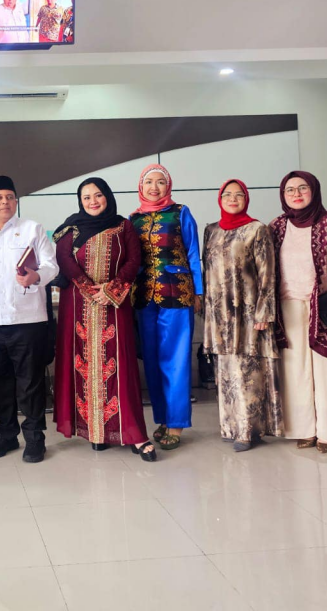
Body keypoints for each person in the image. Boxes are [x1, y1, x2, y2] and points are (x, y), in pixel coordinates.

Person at [52, 178, 155, 461]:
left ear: (107, 196)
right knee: (81, 367)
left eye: (98, 195)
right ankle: (95, 432)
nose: (93, 201)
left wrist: (110, 290)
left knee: (119, 368)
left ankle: (134, 434)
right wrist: (88, 290)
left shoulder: (124, 226)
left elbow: (134, 260)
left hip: (114, 305)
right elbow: (64, 260)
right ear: (80, 201)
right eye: (86, 197)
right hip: (78, 305)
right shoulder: (70, 228)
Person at [0, 175, 57, 463]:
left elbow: (51, 266)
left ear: (16, 202)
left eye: (9, 196)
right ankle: (6, 435)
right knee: (0, 382)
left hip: (28, 319)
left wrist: (36, 277)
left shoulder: (32, 229)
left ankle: (34, 438)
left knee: (30, 382)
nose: (4, 202)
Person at [270, 171, 327, 453]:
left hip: (325, 306)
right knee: (295, 373)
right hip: (288, 307)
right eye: (290, 190)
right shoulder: (277, 226)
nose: (296, 194)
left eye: (303, 188)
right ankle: (304, 429)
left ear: (314, 190)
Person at [202, 180, 283, 452]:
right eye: (227, 194)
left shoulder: (256, 229)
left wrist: (264, 311)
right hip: (219, 313)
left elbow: (268, 274)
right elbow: (207, 271)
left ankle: (249, 430)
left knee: (248, 370)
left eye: (239, 195)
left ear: (246, 198)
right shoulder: (210, 230)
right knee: (225, 372)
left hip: (248, 312)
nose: (232, 198)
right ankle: (229, 426)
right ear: (219, 198)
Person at [130, 163, 202, 451]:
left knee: (176, 359)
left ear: (168, 186)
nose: (154, 187)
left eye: (161, 182)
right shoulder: (132, 219)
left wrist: (198, 291)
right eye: (149, 182)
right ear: (141, 186)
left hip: (178, 294)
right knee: (152, 362)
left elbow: (193, 252)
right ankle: (163, 419)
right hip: (144, 297)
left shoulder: (181, 212)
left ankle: (176, 423)